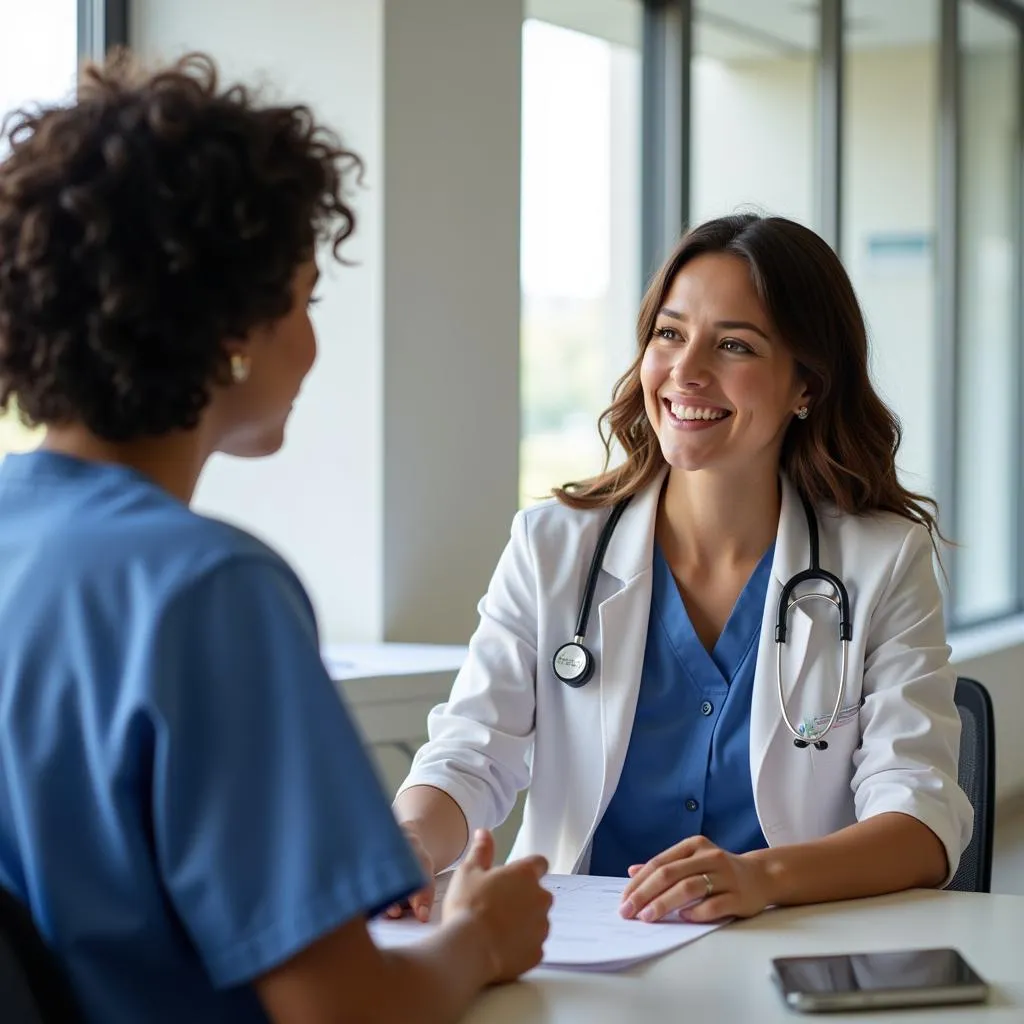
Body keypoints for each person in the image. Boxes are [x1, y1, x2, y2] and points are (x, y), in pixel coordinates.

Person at [0, 52, 551, 1024]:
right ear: (231, 328)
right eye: (304, 301)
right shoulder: (207, 590)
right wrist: (482, 939)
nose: (311, 348)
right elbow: (338, 1010)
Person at [393, 213, 973, 927]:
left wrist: (759, 878)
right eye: (669, 334)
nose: (686, 371)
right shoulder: (553, 546)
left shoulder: (882, 561)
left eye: (734, 344)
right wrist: (409, 843)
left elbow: (919, 817)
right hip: (585, 951)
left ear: (807, 387)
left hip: (789, 939)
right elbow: (470, 756)